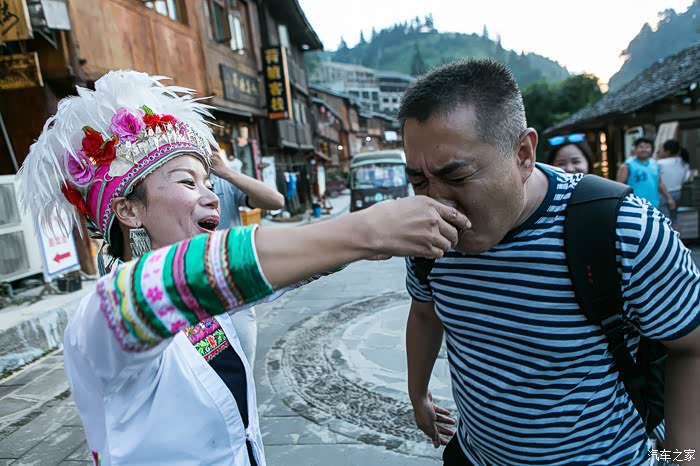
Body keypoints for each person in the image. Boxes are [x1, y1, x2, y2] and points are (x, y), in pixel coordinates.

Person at [18, 70, 468, 466]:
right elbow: (179, 279)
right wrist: (365, 230)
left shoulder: (213, 297)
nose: (211, 196)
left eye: (207, 182)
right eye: (187, 182)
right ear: (129, 210)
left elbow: (275, 270)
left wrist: (366, 244)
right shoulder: (101, 319)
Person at [398, 60, 700, 466]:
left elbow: (691, 347)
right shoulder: (425, 234)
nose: (437, 204)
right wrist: (417, 394)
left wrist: (683, 458)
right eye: (419, 180)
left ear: (523, 154)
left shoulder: (621, 229)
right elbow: (424, 312)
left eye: (456, 177)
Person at [209, 152, 285, 367]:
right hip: (188, 286)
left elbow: (276, 201)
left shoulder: (222, 180)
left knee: (242, 364)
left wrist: (226, 172)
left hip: (230, 286)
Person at [616, 137, 676, 211]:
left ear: (651, 149)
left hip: (653, 205)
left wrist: (669, 198)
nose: (644, 149)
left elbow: (659, 183)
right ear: (635, 149)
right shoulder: (627, 165)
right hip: (634, 206)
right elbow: (619, 186)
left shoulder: (655, 164)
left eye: (647, 147)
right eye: (641, 147)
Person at [657, 139, 690, 223]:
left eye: (661, 149)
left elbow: (657, 181)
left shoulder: (659, 163)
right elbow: (685, 179)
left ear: (667, 151)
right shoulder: (684, 162)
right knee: (674, 219)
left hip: (663, 194)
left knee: (665, 220)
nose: (658, 151)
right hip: (678, 192)